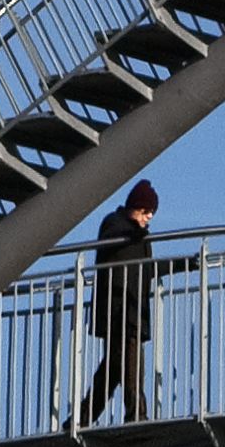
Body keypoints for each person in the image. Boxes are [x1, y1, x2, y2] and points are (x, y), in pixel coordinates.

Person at [78, 181, 161, 428]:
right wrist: (136, 232)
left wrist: (186, 264)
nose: (148, 218)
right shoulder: (114, 223)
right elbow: (110, 239)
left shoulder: (142, 237)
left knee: (113, 369)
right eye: (146, 212)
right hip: (119, 311)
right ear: (135, 207)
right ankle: (137, 415)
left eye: (151, 214)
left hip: (134, 310)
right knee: (132, 364)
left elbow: (149, 270)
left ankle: (82, 419)